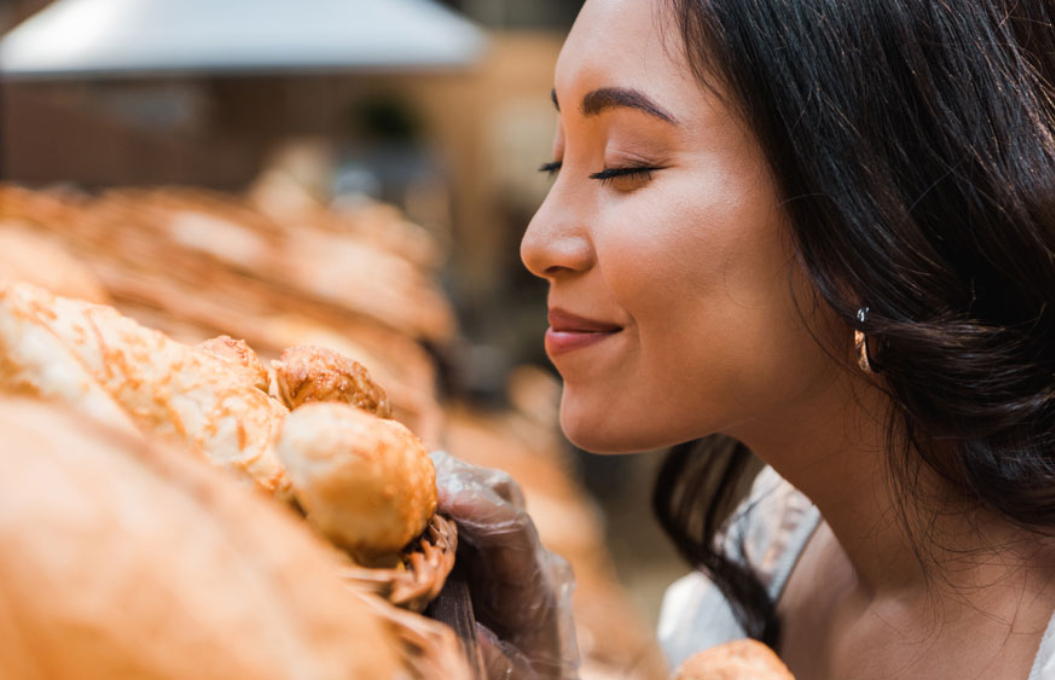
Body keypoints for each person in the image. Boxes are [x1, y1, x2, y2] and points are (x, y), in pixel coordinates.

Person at [435, 0, 1055, 678]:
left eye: (623, 165)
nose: (537, 244)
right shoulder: (765, 552)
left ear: (873, 213)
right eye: (554, 165)